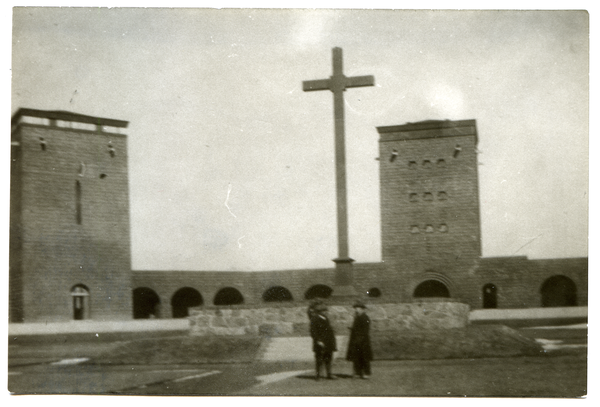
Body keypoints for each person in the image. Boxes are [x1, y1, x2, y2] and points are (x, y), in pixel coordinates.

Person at [309, 302, 337, 380]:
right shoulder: (314, 319)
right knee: (319, 359)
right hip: (320, 342)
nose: (325, 312)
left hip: (328, 342)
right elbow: (313, 331)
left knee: (328, 358)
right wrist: (318, 340)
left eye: (325, 310)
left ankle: (329, 374)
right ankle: (318, 375)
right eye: (323, 310)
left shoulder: (325, 318)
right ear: (319, 311)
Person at [346, 301, 373, 379]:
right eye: (355, 308)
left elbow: (365, 330)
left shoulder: (365, 318)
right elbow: (357, 328)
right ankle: (358, 372)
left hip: (363, 340)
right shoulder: (357, 317)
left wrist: (359, 339)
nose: (356, 310)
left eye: (358, 308)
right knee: (357, 357)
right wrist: (352, 329)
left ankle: (366, 373)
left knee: (364, 357)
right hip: (356, 340)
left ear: (362, 309)